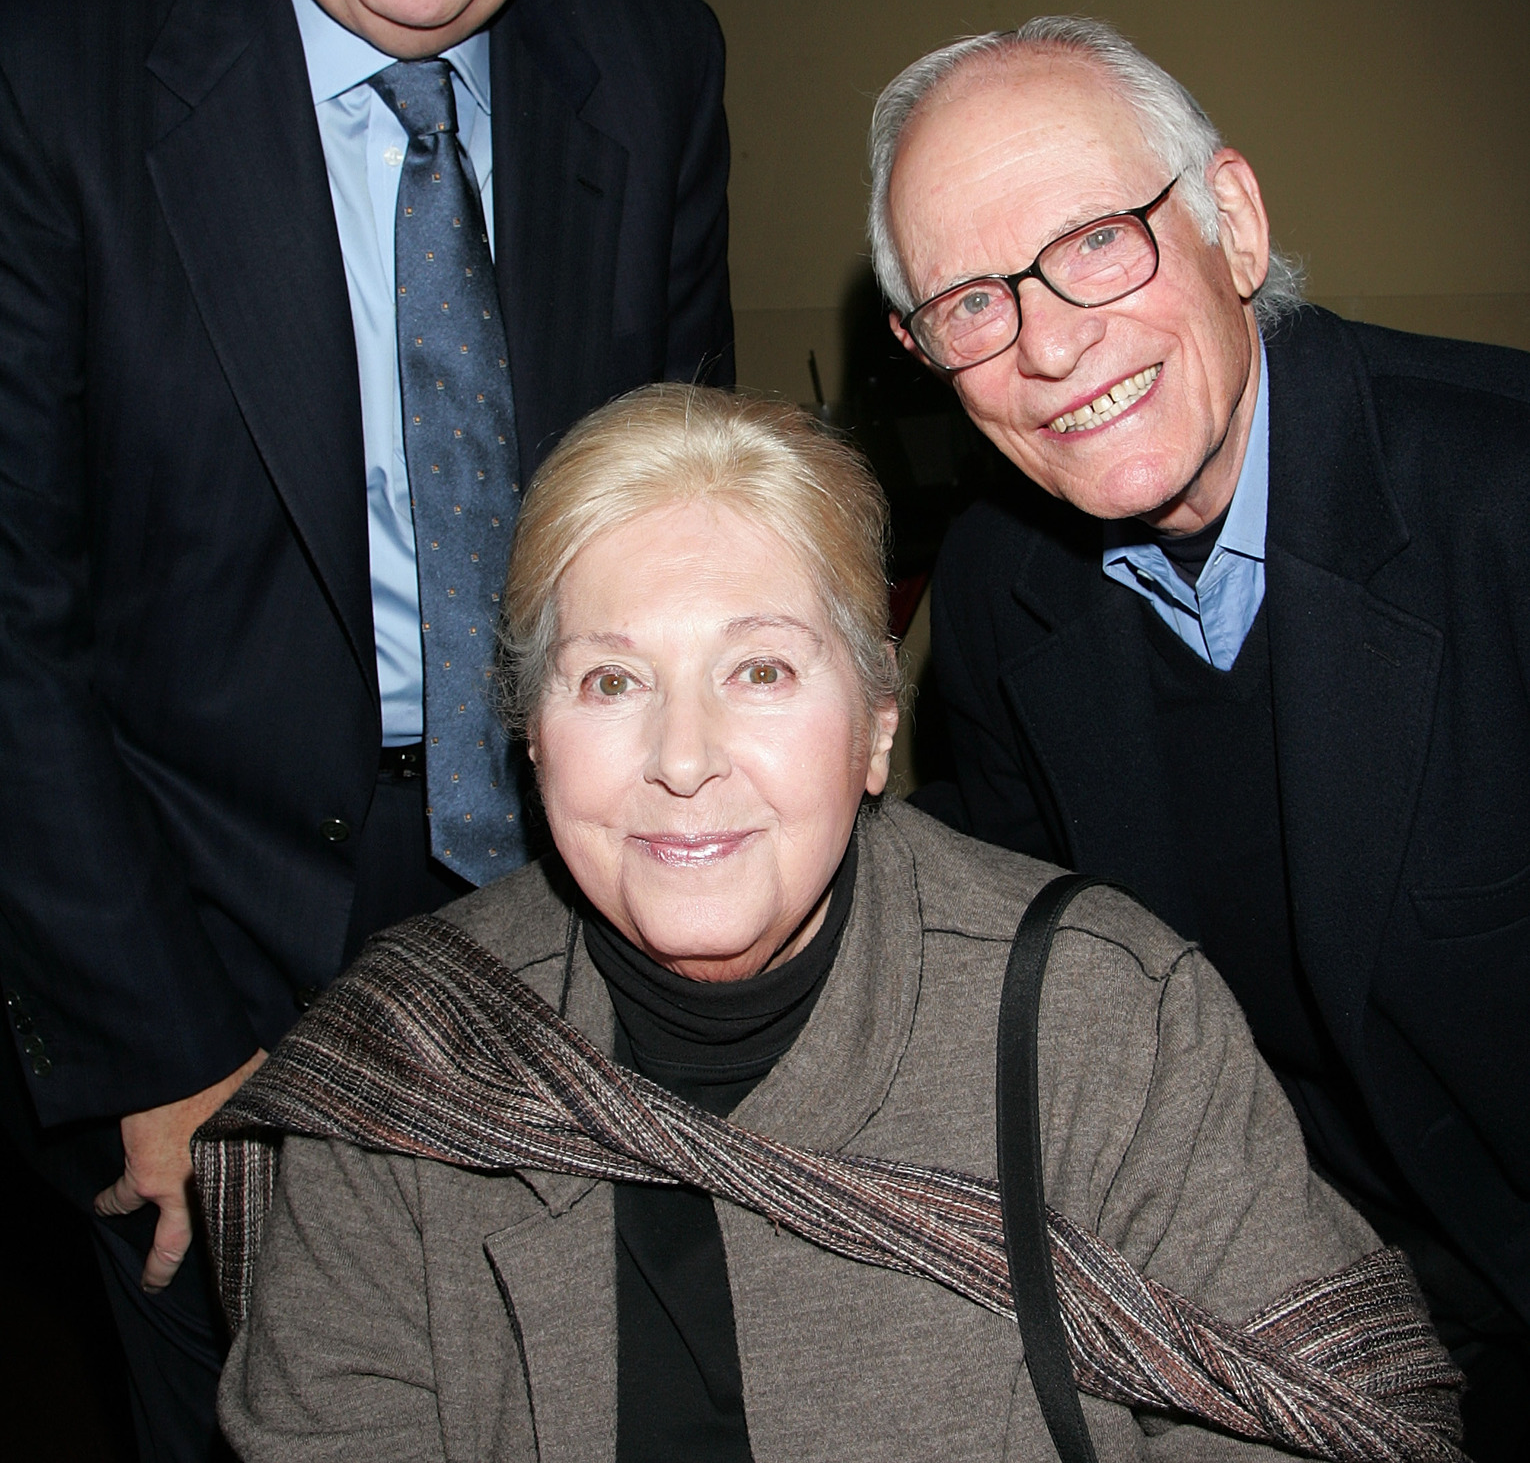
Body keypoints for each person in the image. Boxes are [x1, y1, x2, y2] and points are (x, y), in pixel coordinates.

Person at [0, 0, 731, 1461]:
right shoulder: (46, 56)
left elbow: (686, 533)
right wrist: (152, 1051)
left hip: (579, 922)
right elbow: (15, 634)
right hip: (202, 938)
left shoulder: (653, 65)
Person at [199, 385, 1458, 1463]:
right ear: (534, 737)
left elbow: (1338, 1412)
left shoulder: (1107, 1012)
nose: (682, 758)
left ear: (875, 725)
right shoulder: (401, 1069)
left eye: (761, 669)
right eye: (612, 679)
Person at [866, 15, 1529, 1457]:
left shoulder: (1502, 500)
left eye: (1097, 239)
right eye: (969, 303)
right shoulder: (993, 586)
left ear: (1230, 220)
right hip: (1276, 1320)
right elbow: (1033, 987)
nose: (1048, 344)